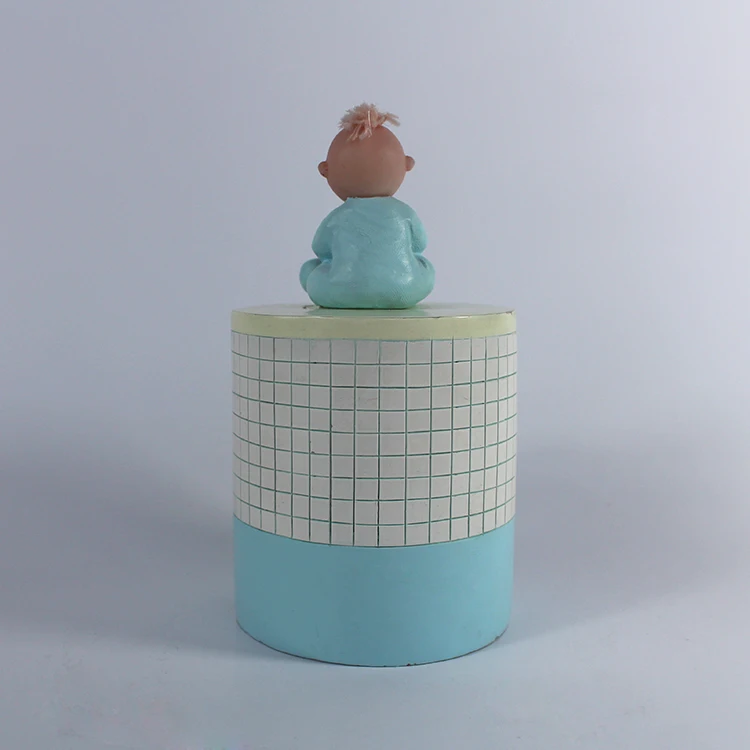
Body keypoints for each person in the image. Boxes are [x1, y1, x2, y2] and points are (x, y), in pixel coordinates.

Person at [300, 103, 435, 309]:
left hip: (341, 291)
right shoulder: (403, 213)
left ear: (326, 170)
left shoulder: (338, 216)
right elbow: (420, 244)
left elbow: (321, 250)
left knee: (310, 270)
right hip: (405, 289)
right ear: (406, 164)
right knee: (426, 269)